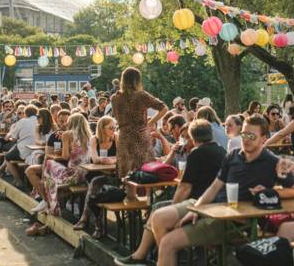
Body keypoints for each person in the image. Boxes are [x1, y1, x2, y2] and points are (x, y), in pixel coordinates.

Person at [150, 115, 294, 266]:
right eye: (244, 134)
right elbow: (214, 187)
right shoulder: (233, 155)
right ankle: (173, 257)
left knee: (168, 243)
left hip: (230, 219)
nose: (246, 139)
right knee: (158, 217)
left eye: (252, 136)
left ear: (264, 138)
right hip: (210, 206)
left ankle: (172, 253)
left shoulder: (273, 162)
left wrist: (269, 192)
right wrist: (196, 209)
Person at [115, 119, 227, 265]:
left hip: (198, 204)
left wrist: (173, 207)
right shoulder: (222, 151)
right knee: (157, 207)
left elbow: (184, 188)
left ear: (192, 138)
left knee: (159, 211)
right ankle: (144, 254)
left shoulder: (197, 153)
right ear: (210, 135)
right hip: (211, 203)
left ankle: (168, 255)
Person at [27, 113, 91, 234]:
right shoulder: (88, 136)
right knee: (51, 177)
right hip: (84, 175)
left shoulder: (68, 134)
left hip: (71, 175)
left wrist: (64, 140)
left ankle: (46, 201)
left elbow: (65, 156)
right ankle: (47, 203)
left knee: (49, 163)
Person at [111, 67, 167, 196]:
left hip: (124, 137)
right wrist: (151, 122)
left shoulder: (115, 98)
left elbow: (117, 116)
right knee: (145, 170)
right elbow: (164, 108)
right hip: (140, 136)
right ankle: (147, 200)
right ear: (137, 80)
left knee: (127, 172)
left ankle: (130, 201)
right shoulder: (141, 95)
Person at [73, 115, 118, 236]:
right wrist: (111, 159)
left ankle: (86, 220)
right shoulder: (94, 139)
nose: (114, 130)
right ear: (102, 128)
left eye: (115, 127)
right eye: (111, 128)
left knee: (95, 188)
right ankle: (98, 225)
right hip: (95, 172)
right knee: (96, 186)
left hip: (112, 174)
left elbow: (122, 157)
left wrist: (110, 160)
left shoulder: (116, 138)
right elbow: (95, 158)